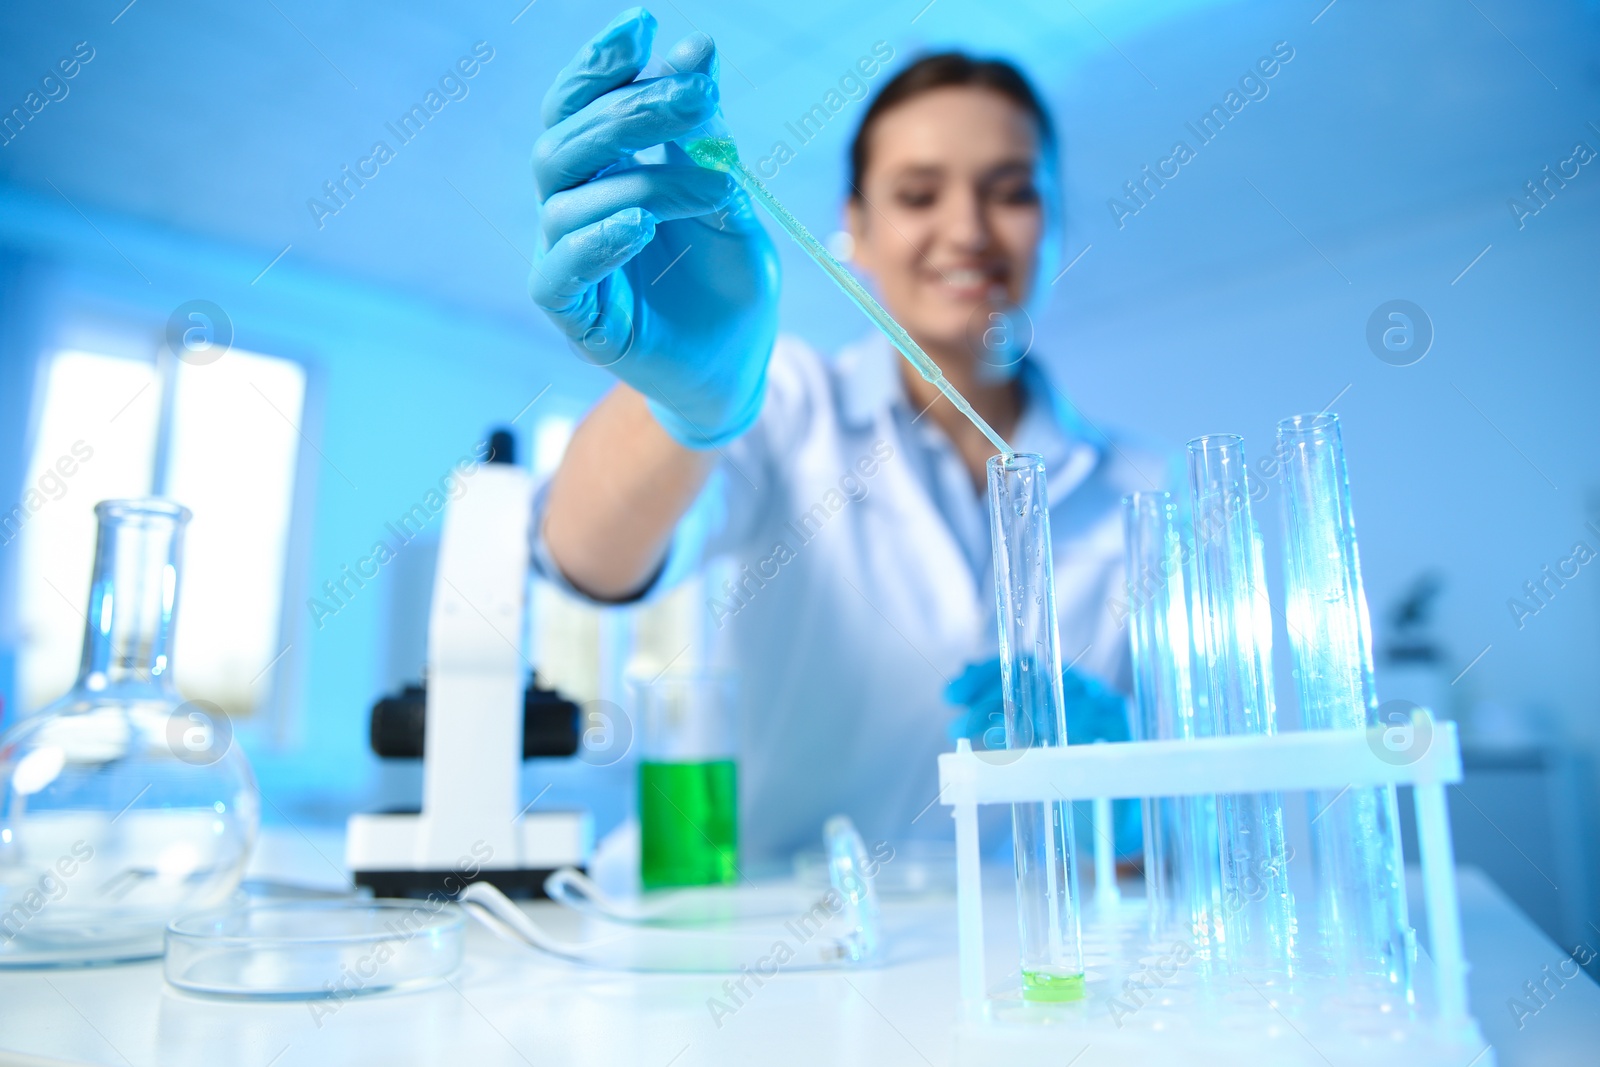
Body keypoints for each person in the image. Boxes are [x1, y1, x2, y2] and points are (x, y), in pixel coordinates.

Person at [528, 8, 1159, 861]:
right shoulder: (787, 403)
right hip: (761, 960)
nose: (968, 230)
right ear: (854, 228)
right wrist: (693, 408)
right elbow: (587, 557)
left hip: (1024, 968)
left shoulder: (1138, 494)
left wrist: (1128, 811)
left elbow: (1155, 856)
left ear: (1053, 224)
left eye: (1010, 190)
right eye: (917, 194)